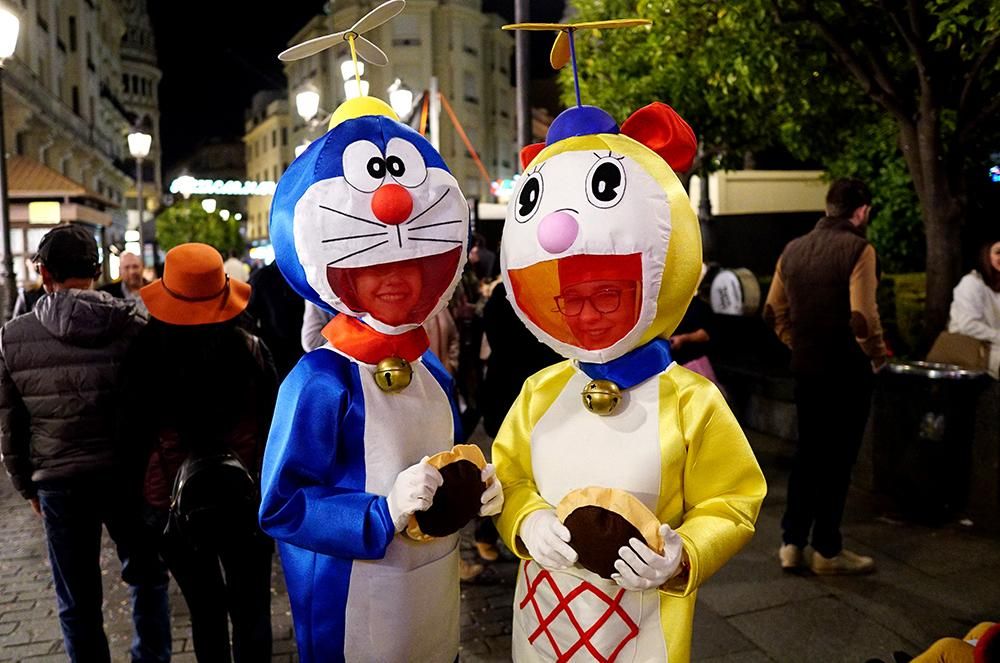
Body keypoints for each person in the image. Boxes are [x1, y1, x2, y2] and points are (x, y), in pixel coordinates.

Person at [493, 101, 765, 662]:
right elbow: (509, 476)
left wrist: (684, 554)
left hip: (645, 634)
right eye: (570, 300)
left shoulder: (692, 400)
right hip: (540, 623)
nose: (587, 315)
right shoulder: (540, 391)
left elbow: (733, 500)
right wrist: (525, 520)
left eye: (608, 294)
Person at [258, 95, 502, 663]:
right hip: (353, 601)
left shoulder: (430, 369)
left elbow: (441, 457)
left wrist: (475, 487)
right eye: (374, 268)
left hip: (432, 591)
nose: (397, 282)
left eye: (410, 267)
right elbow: (282, 505)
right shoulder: (320, 379)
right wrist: (381, 513)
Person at [0, 224, 171, 663]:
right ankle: (150, 656)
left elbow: (12, 425)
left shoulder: (12, 338)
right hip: (127, 474)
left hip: (59, 480)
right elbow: (154, 404)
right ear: (98, 270)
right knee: (147, 577)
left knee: (76, 599)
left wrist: (26, 486)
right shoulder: (133, 323)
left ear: (43, 273)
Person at [121, 243, 277, 663]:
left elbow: (131, 437)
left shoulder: (143, 354)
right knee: (251, 609)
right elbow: (274, 428)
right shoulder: (248, 349)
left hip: (173, 503)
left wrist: (139, 511)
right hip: (248, 499)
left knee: (205, 611)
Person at [764, 177, 888, 575]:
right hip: (847, 371)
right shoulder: (859, 249)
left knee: (808, 455)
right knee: (838, 460)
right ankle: (827, 550)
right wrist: (877, 356)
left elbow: (772, 311)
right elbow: (862, 317)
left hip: (807, 369)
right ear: (862, 211)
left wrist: (794, 342)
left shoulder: (793, 250)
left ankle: (791, 543)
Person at [947, 238, 1000, 379]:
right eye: (998, 252)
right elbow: (968, 326)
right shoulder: (972, 283)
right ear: (987, 255)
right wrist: (997, 336)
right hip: (974, 350)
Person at [246, 259, 305, 380]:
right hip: (285, 349)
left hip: (279, 349)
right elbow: (248, 316)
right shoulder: (303, 275)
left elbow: (248, 317)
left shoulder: (260, 277)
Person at [101, 251, 150, 316]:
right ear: (120, 270)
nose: (132, 272)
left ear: (143, 267)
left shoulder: (156, 291)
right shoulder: (107, 294)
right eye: (127, 267)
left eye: (135, 266)